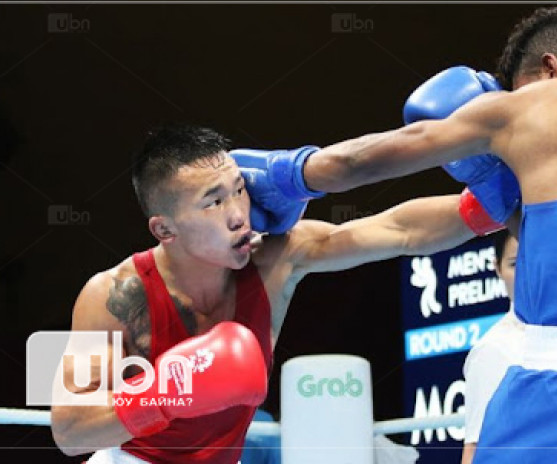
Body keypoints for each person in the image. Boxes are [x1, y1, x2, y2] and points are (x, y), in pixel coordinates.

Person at [239, 6, 557, 462]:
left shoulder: (545, 103)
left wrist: (287, 177)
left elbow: (364, 161)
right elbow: (413, 228)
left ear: (550, 68)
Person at [50, 123, 496, 464]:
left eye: (239, 190)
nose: (238, 214)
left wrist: (492, 205)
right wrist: (168, 392)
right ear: (164, 228)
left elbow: (396, 230)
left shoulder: (275, 260)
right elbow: (67, 430)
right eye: (213, 202)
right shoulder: (107, 294)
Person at [460, 230, 523, 464]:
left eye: (535, 259)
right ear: (497, 268)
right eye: (515, 264)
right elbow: (475, 446)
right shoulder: (494, 349)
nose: (527, 273)